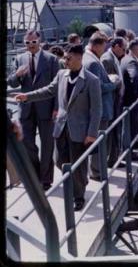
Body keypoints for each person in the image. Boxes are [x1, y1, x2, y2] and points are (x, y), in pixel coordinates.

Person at [15, 44, 102, 211]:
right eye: (65, 58)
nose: (65, 61)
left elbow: (96, 110)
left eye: (68, 58)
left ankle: (78, 196)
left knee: (77, 164)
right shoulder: (62, 75)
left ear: (79, 58)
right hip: (61, 128)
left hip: (80, 130)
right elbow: (48, 91)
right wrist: (27, 97)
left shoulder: (91, 80)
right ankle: (78, 184)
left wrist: (92, 133)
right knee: (60, 162)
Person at [7, 30, 61, 190]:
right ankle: (35, 175)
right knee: (28, 144)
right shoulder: (19, 59)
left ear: (40, 41)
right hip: (26, 110)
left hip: (46, 108)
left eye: (33, 42)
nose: (30, 45)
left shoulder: (51, 60)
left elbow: (57, 87)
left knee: (47, 145)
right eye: (27, 43)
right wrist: (17, 74)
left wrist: (57, 108)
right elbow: (13, 83)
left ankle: (46, 180)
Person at [83, 31, 118, 180]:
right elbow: (98, 88)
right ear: (97, 45)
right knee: (99, 141)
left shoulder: (88, 58)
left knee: (98, 140)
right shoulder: (92, 62)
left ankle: (96, 170)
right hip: (100, 109)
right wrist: (114, 84)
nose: (105, 49)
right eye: (104, 45)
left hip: (97, 108)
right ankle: (97, 172)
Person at [101, 37, 126, 167]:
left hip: (117, 99)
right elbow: (110, 81)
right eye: (123, 48)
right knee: (112, 131)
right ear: (115, 46)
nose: (124, 51)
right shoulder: (107, 59)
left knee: (116, 129)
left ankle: (114, 158)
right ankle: (111, 160)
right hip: (112, 101)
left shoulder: (114, 57)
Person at [121, 39, 138, 152]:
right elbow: (135, 77)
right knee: (132, 126)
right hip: (132, 100)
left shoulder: (125, 59)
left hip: (128, 99)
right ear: (135, 48)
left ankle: (133, 146)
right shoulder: (131, 61)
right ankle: (129, 151)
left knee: (131, 126)